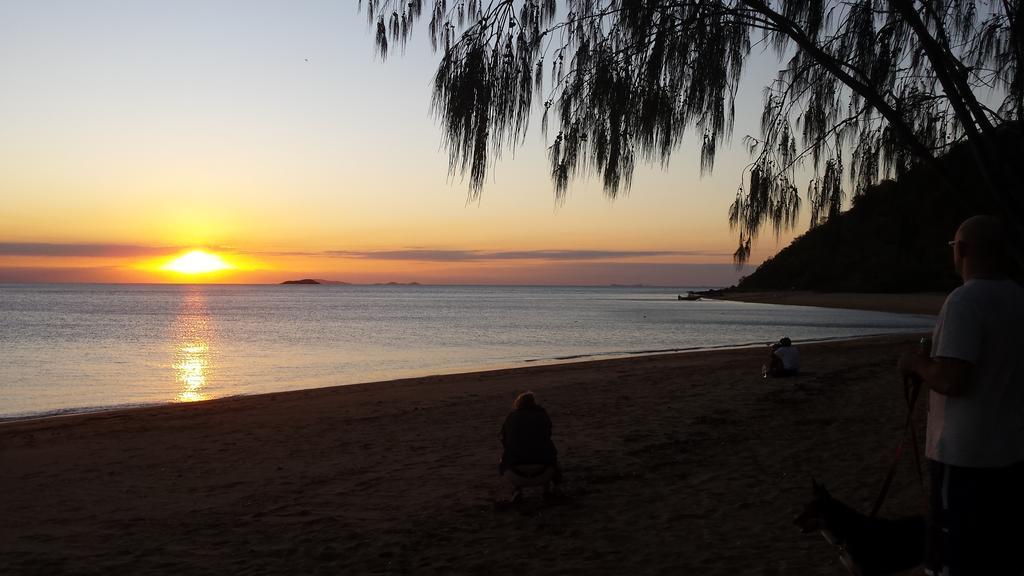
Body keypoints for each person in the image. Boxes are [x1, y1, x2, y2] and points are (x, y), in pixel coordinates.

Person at [898, 215, 1024, 575]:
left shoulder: (965, 301)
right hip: (1011, 452)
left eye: (954, 246)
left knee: (952, 559)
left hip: (965, 458)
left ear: (963, 250)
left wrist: (915, 364)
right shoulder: (1018, 298)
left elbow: (953, 380)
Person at [499, 391, 562, 501]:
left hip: (515, 474)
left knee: (509, 454)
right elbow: (547, 435)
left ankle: (517, 490)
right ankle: (548, 489)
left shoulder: (511, 417)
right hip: (545, 472)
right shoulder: (542, 415)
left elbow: (504, 441)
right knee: (549, 452)